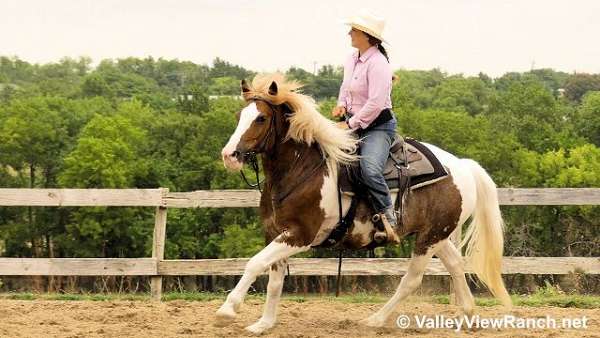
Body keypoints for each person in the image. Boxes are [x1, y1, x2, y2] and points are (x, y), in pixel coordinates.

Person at [332, 9, 400, 244]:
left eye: (354, 30)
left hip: (378, 127)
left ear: (366, 36)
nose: (350, 33)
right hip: (354, 123)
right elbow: (346, 86)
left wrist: (349, 123)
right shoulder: (352, 58)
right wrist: (341, 104)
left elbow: (375, 104)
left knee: (370, 169)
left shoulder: (379, 64)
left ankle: (390, 217)